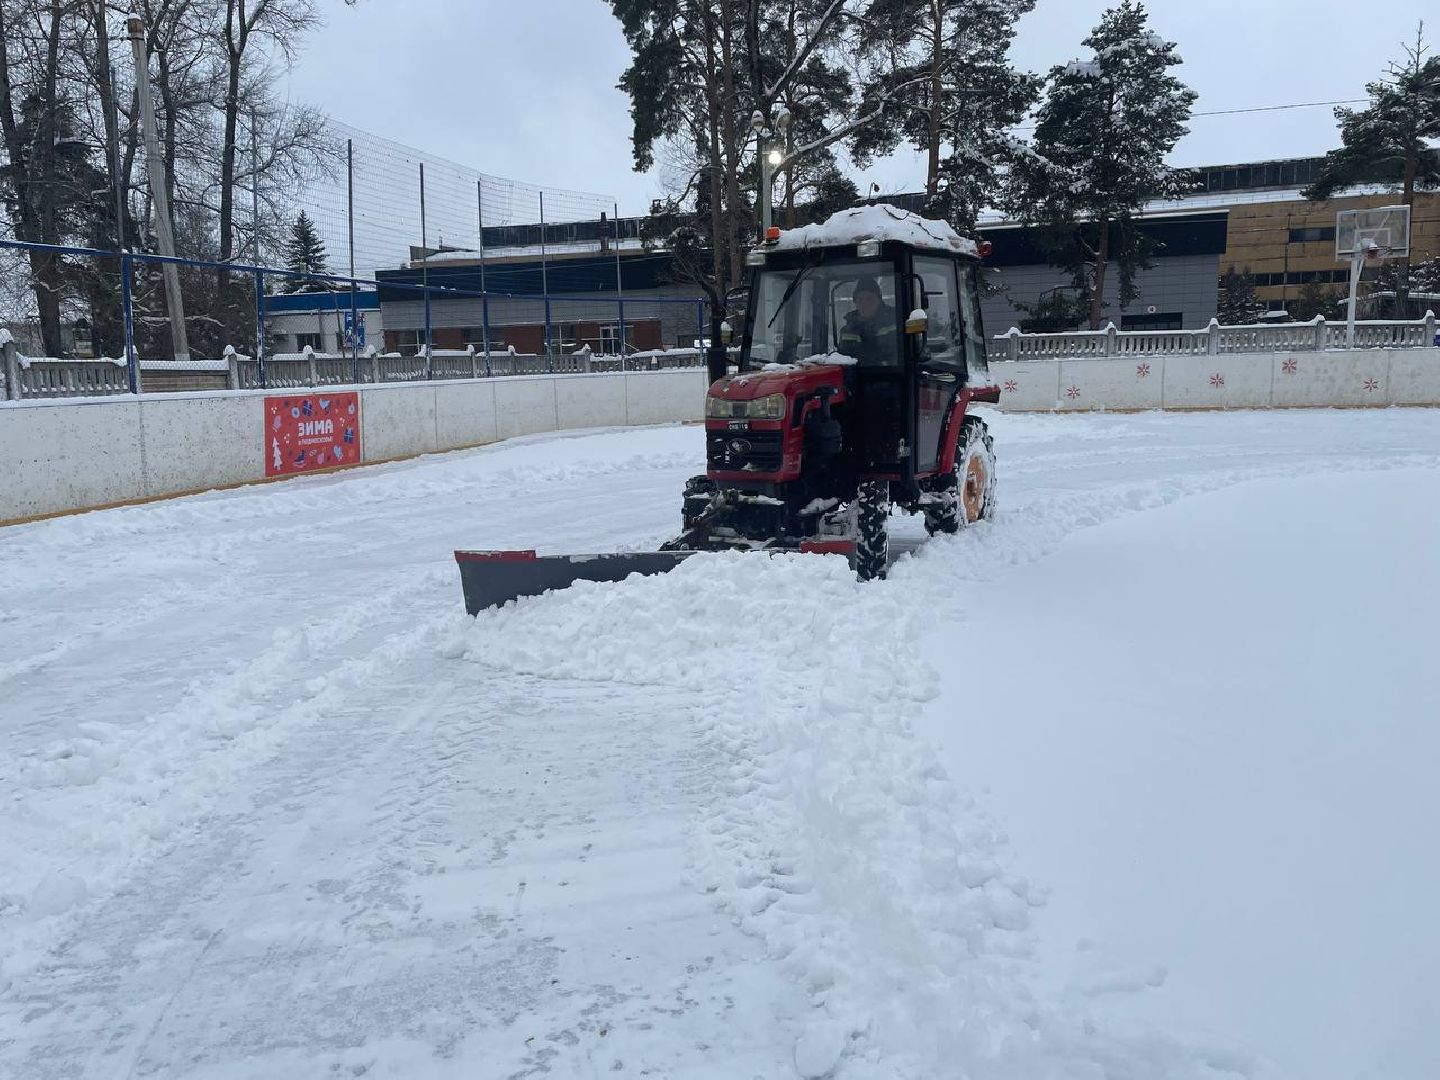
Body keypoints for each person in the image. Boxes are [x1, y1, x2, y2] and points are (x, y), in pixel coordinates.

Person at [838, 276, 898, 364]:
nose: (865, 304)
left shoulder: (895, 323)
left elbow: (897, 357)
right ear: (855, 302)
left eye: (870, 299)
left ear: (879, 300)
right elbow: (843, 362)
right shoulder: (847, 332)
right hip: (855, 377)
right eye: (860, 300)